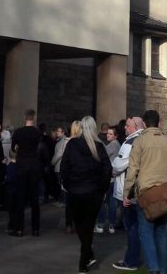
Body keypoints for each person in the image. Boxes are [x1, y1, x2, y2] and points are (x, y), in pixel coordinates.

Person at [123, 110, 167, 274]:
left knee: (146, 232)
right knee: (161, 233)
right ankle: (162, 269)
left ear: (145, 124)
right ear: (159, 123)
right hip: (164, 191)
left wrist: (126, 192)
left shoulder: (140, 141)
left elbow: (132, 169)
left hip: (146, 191)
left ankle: (153, 268)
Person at [61, 116, 112, 274]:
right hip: (91, 192)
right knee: (86, 226)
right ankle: (87, 255)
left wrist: (69, 185)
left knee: (82, 226)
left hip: (79, 191)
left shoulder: (74, 145)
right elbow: (107, 169)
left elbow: (64, 167)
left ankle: (84, 261)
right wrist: (102, 189)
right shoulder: (98, 146)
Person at [112, 116, 145, 272]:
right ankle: (134, 258)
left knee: (131, 227)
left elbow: (119, 164)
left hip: (128, 190)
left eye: (127, 125)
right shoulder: (145, 139)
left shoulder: (131, 141)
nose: (125, 127)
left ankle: (131, 261)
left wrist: (111, 170)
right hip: (141, 189)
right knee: (138, 228)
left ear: (136, 126)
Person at [10, 108, 43, 237]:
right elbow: (39, 148)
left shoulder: (18, 132)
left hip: (22, 165)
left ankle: (19, 228)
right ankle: (35, 228)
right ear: (33, 118)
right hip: (34, 164)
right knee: (34, 198)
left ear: (25, 118)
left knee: (21, 197)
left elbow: (14, 147)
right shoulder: (37, 133)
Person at [96, 125, 121, 234]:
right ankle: (111, 225)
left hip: (108, 178)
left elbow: (100, 156)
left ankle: (101, 225)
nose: (108, 135)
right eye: (108, 133)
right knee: (112, 204)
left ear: (115, 136)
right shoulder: (117, 145)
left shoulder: (113, 145)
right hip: (114, 178)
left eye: (111, 134)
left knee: (103, 202)